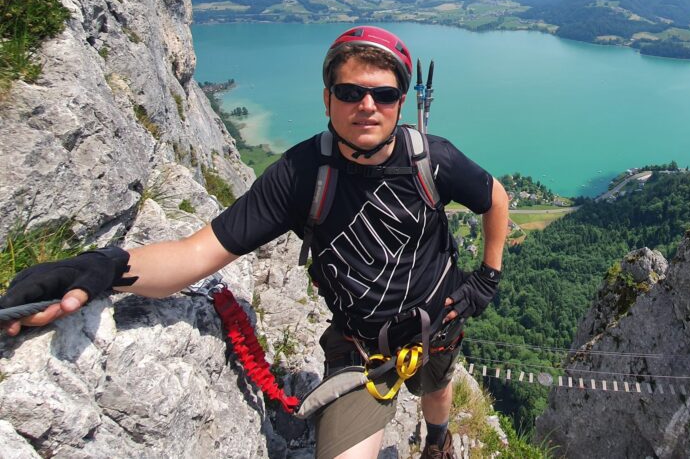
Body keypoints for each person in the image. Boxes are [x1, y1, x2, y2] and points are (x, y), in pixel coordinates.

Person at [0, 26, 509, 459]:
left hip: (436, 322)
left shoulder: (432, 160)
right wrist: (106, 265)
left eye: (385, 94)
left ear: (401, 101)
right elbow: (198, 253)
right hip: (361, 347)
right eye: (350, 92)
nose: (367, 106)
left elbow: (496, 199)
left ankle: (437, 438)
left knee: (436, 387)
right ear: (327, 98)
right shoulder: (299, 176)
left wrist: (486, 277)